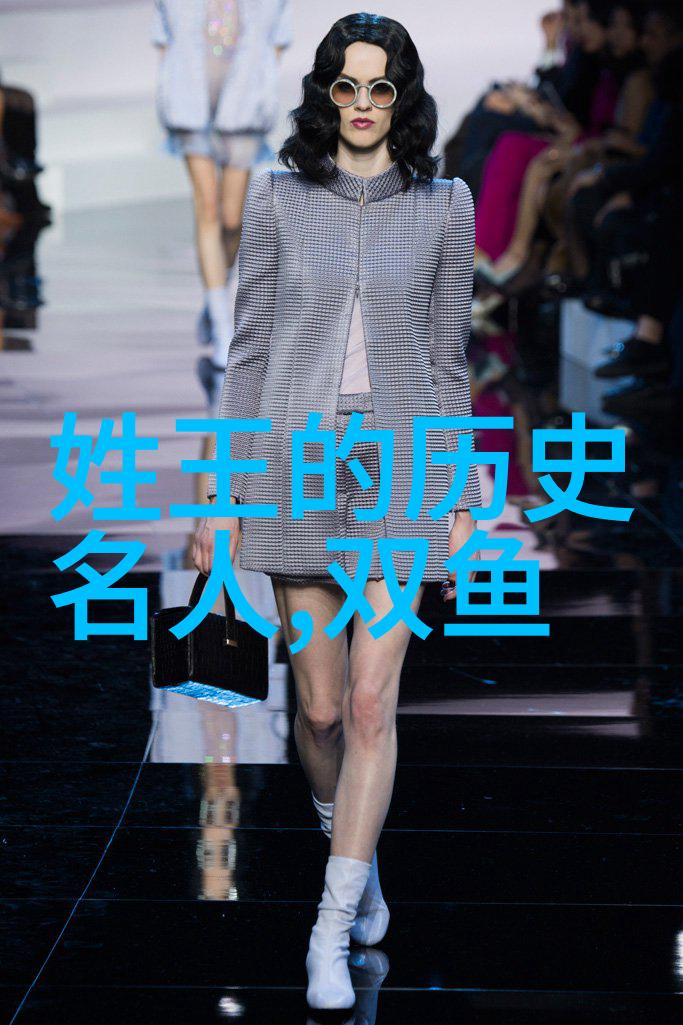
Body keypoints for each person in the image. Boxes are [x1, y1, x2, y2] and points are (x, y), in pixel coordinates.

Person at [193, 12, 482, 1011]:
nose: (362, 104)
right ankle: (350, 850)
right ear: (325, 93)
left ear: (402, 99)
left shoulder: (445, 206)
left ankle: (331, 919)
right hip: (296, 464)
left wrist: (458, 487)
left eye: (380, 88)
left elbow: (448, 359)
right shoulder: (278, 199)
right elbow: (247, 354)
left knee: (367, 703)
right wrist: (220, 491)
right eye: (346, 86)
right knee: (317, 709)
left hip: (401, 468)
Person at [152, 0, 292, 381]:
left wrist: (261, 87)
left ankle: (214, 285)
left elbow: (277, 42)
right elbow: (163, 40)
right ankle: (220, 321)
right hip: (188, 101)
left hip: (244, 103)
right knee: (208, 208)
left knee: (232, 220)